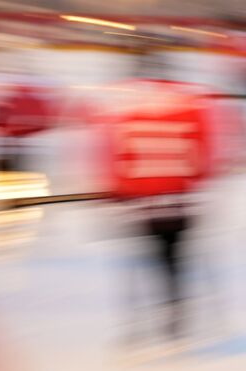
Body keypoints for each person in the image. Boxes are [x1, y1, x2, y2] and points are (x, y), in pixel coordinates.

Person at [94, 48, 228, 347]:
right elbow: (207, 150)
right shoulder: (192, 102)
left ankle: (138, 323)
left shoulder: (120, 103)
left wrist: (112, 187)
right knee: (174, 257)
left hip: (139, 197)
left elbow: (109, 148)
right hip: (180, 196)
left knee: (141, 256)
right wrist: (200, 181)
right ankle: (176, 313)